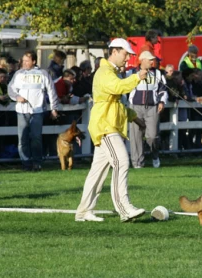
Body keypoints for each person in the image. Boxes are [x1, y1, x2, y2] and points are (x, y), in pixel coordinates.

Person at [75, 38, 148, 223]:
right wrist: (137, 77)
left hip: (108, 124)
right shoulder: (105, 71)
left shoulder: (111, 71)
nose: (127, 59)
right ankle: (124, 208)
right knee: (122, 161)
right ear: (114, 51)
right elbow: (118, 88)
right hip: (105, 126)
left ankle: (84, 211)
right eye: (125, 54)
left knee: (97, 172)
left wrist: (134, 118)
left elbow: (116, 102)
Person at [7, 50, 59, 171]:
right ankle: (25, 163)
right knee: (22, 139)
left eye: (27, 61)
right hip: (22, 110)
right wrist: (16, 97)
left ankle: (37, 163)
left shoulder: (43, 74)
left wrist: (54, 108)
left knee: (36, 138)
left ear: (34, 61)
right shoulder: (18, 74)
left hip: (38, 110)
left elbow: (51, 91)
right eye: (23, 61)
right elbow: (11, 89)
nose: (24, 63)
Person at [129, 51, 168, 169]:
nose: (152, 62)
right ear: (143, 60)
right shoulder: (131, 72)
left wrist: (162, 101)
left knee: (152, 135)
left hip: (152, 107)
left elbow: (163, 89)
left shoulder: (158, 73)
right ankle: (137, 163)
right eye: (150, 60)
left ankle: (155, 155)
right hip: (135, 107)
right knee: (136, 136)